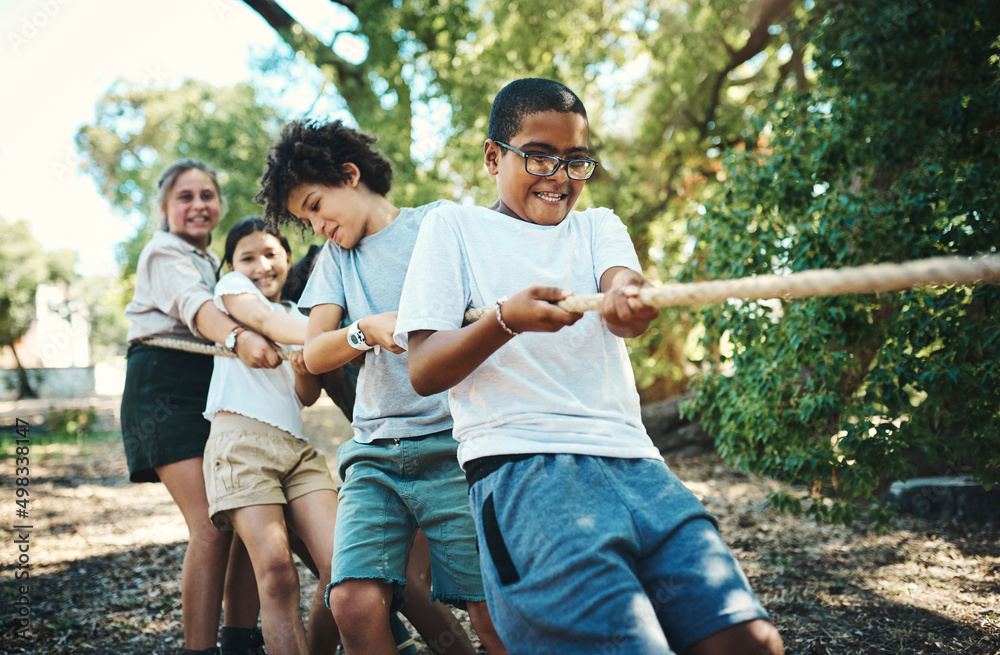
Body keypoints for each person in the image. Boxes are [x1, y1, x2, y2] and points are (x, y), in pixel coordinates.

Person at [394, 78, 785, 655]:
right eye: (539, 155)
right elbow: (424, 369)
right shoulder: (453, 228)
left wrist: (631, 295)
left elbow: (625, 302)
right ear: (492, 156)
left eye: (576, 161)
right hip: (524, 472)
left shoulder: (598, 225)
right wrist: (506, 321)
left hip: (638, 466)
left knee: (749, 641)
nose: (559, 176)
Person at [255, 119, 506, 655]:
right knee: (352, 602)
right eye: (305, 220)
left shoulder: (438, 224)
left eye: (316, 206)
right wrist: (363, 329)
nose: (316, 226)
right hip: (374, 454)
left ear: (350, 175)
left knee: (489, 606)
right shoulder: (336, 261)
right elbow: (315, 351)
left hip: (453, 445)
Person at [121, 159, 279, 655]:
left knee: (236, 516)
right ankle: (199, 649)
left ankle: (238, 640)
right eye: (185, 197)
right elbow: (199, 309)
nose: (197, 205)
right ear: (165, 208)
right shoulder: (163, 252)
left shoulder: (218, 264)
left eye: (206, 195)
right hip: (164, 389)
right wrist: (237, 337)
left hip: (212, 389)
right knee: (210, 525)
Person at [201, 216, 340, 655]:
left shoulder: (301, 317)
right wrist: (345, 335)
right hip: (239, 443)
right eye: (248, 257)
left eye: (271, 254)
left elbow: (306, 395)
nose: (261, 264)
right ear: (232, 264)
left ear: (286, 259)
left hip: (296, 450)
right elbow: (261, 317)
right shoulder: (231, 292)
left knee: (343, 568)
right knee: (278, 573)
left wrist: (305, 365)